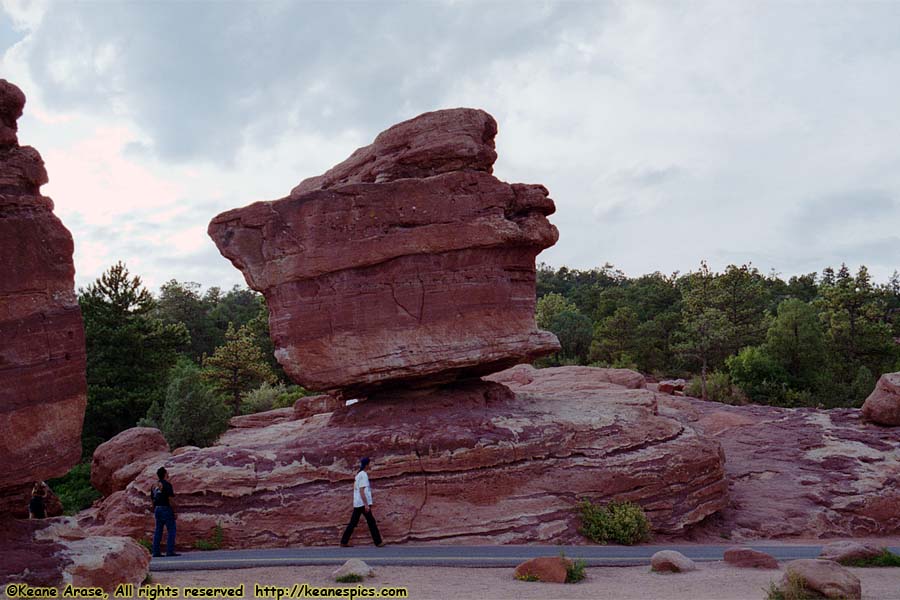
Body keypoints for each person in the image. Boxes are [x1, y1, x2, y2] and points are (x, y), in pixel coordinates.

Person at [339, 457, 384, 547]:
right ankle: (378, 542)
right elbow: (361, 490)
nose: (370, 465)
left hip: (358, 503)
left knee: (353, 523)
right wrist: (366, 504)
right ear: (366, 465)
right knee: (371, 522)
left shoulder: (358, 474)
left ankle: (344, 541)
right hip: (363, 504)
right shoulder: (363, 475)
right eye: (369, 464)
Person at [151, 467, 179, 557]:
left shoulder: (154, 486)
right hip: (166, 508)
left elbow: (152, 499)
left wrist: (155, 508)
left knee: (158, 530)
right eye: (167, 473)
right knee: (171, 529)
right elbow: (170, 498)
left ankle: (156, 552)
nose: (168, 474)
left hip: (157, 509)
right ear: (165, 474)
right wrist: (174, 511)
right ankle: (170, 551)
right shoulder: (167, 485)